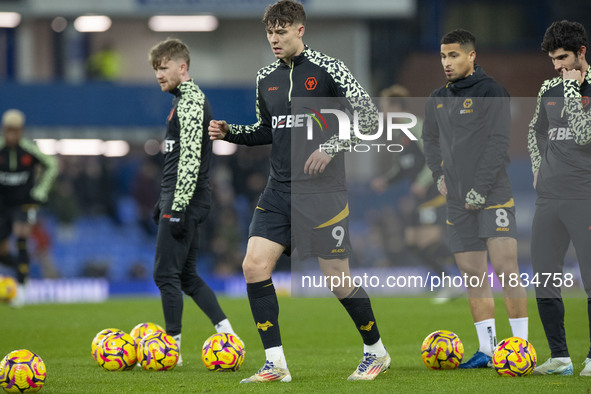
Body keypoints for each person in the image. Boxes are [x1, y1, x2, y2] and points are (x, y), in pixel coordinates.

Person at [209, 0, 390, 383]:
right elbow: (266, 131)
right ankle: (275, 364)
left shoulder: (329, 69)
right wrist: (231, 133)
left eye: (281, 32)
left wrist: (332, 146)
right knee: (253, 266)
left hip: (323, 192)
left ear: (300, 30)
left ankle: (376, 351)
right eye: (270, 33)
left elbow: (370, 118)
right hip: (279, 190)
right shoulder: (265, 78)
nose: (274, 39)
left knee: (336, 277)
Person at [422, 29, 528, 368]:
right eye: (442, 56)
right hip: (455, 199)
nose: (447, 63)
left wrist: (479, 189)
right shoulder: (437, 97)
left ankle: (519, 348)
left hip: (493, 194)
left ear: (471, 56)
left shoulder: (492, 92)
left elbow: (499, 144)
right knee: (472, 275)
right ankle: (487, 349)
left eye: (453, 56)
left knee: (506, 269)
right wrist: (439, 175)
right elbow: (430, 141)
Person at [148, 38, 240, 366]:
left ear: (182, 67)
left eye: (163, 67)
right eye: (155, 69)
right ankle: (228, 334)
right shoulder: (185, 100)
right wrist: (166, 200)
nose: (158, 74)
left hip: (184, 199)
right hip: (184, 197)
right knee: (186, 276)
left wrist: (177, 205)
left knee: (165, 274)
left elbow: (188, 158)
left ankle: (170, 350)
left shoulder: (188, 101)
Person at [527, 20, 591, 377]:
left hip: (586, 195)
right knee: (545, 276)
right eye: (553, 59)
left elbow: (584, 135)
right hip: (549, 197)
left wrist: (571, 90)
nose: (557, 66)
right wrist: (537, 166)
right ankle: (560, 357)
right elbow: (536, 133)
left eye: (563, 58)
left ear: (581, 52)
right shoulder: (547, 87)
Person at [370, 84, 459, 304]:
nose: (382, 112)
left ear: (397, 106)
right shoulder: (401, 134)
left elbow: (435, 158)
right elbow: (404, 166)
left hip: (433, 194)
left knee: (427, 241)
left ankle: (466, 271)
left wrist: (422, 181)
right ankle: (453, 278)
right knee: (411, 242)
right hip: (420, 199)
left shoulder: (417, 126)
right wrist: (386, 180)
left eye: (384, 107)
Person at [0, 109, 58, 307]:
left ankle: (23, 286)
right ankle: (18, 270)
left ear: (21, 131)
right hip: (2, 204)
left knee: (22, 234)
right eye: (9, 130)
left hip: (24, 202)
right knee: (2, 248)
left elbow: (52, 164)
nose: (12, 135)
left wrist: (40, 191)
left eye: (15, 131)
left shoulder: (28, 149)